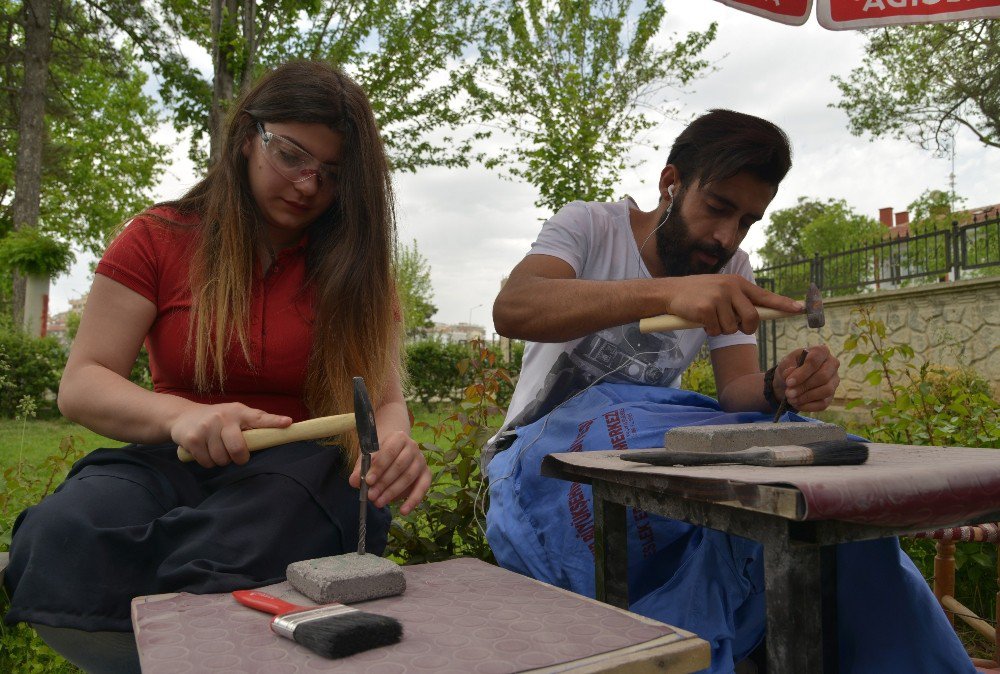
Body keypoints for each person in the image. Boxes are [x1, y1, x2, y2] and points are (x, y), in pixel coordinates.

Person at [485, 110, 974, 673]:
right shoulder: (590, 226)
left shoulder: (727, 266)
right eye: (718, 208)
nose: (726, 237)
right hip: (537, 457)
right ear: (672, 184)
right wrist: (668, 294)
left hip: (635, 451)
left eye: (746, 221)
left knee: (810, 497)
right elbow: (514, 307)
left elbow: (738, 392)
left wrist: (780, 383)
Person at [3, 61, 431, 673]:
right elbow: (83, 381)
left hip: (301, 476)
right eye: (290, 155)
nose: (309, 185)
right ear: (245, 137)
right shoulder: (158, 237)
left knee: (224, 552)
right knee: (63, 537)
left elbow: (382, 402)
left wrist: (389, 445)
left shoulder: (359, 271)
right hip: (168, 457)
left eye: (332, 175)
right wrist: (182, 419)